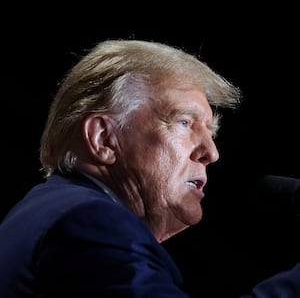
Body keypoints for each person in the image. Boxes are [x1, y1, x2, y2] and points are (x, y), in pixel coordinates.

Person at [0, 39, 298, 297]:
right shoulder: (88, 224)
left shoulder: (45, 211)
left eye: (211, 132)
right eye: (184, 123)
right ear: (103, 139)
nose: (211, 153)